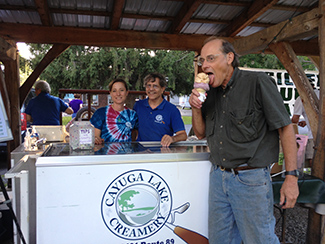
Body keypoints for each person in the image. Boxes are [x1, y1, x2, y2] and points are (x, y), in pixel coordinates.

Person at [189, 37, 299, 244]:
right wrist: (195, 107)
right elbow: (201, 133)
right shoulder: (209, 92)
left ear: (229, 58)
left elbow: (285, 128)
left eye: (211, 58)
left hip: (250, 179)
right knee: (220, 240)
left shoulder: (257, 82)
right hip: (218, 176)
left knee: (259, 240)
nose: (204, 65)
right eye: (202, 60)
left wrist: (291, 178)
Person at [133, 73, 187, 147]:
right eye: (148, 85)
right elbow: (133, 130)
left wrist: (172, 139)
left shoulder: (171, 109)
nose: (151, 89)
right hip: (140, 154)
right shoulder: (138, 106)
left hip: (161, 154)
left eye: (155, 86)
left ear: (162, 89)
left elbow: (183, 135)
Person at [90, 78, 138, 144]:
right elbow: (95, 136)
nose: (118, 94)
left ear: (127, 92)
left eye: (121, 90)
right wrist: (96, 139)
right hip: (105, 153)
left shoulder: (133, 115)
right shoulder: (101, 113)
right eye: (114, 91)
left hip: (127, 153)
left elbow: (135, 136)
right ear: (110, 93)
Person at [291, 81, 319, 166]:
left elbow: (295, 119)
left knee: (313, 159)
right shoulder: (321, 94)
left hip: (315, 135)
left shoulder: (301, 99)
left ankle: (316, 178)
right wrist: (307, 121)